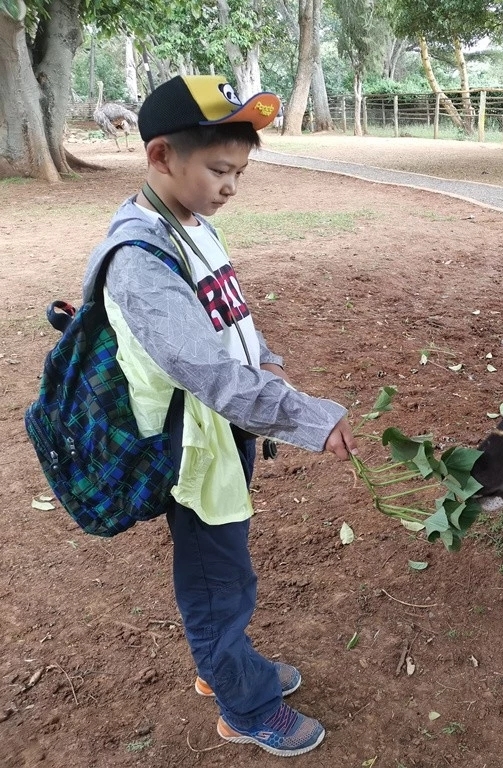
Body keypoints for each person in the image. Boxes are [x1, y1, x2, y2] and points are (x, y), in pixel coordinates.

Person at [81, 75, 356, 757]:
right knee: (217, 583)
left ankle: (226, 668)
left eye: (239, 171)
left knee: (225, 572)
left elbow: (228, 312)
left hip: (220, 434)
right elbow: (204, 370)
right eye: (218, 169)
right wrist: (306, 416)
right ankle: (245, 704)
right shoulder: (140, 260)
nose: (231, 185)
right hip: (190, 451)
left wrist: (265, 358)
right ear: (161, 156)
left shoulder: (190, 222)